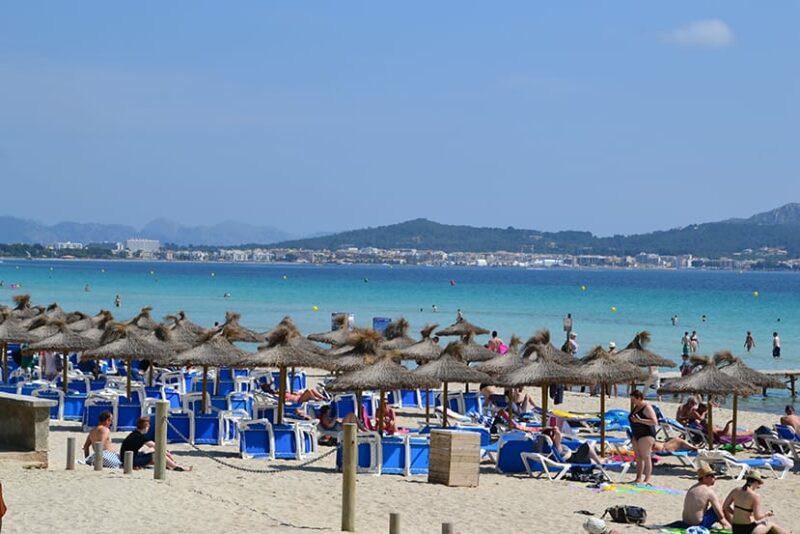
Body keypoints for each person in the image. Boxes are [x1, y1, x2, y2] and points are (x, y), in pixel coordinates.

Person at [722, 471, 792, 534]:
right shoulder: (755, 496)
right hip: (749, 530)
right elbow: (757, 517)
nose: (758, 486)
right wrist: (767, 513)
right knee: (770, 524)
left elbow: (725, 506)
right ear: (755, 482)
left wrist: (735, 513)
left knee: (761, 524)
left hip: (736, 528)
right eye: (758, 484)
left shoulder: (735, 490)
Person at [121, 417, 191, 471]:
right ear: (146, 427)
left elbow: (153, 447)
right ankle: (176, 467)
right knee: (158, 455)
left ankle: (169, 464)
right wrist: (167, 453)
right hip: (129, 461)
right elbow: (158, 447)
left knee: (152, 452)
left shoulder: (134, 434)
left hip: (126, 458)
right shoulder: (140, 437)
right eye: (148, 426)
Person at [628, 390, 658, 484]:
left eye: (634, 400)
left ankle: (647, 479)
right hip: (636, 433)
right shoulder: (636, 407)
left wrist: (640, 420)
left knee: (646, 456)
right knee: (638, 457)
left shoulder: (647, 407)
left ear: (639, 398)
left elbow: (654, 422)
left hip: (646, 434)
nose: (633, 402)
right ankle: (638, 478)